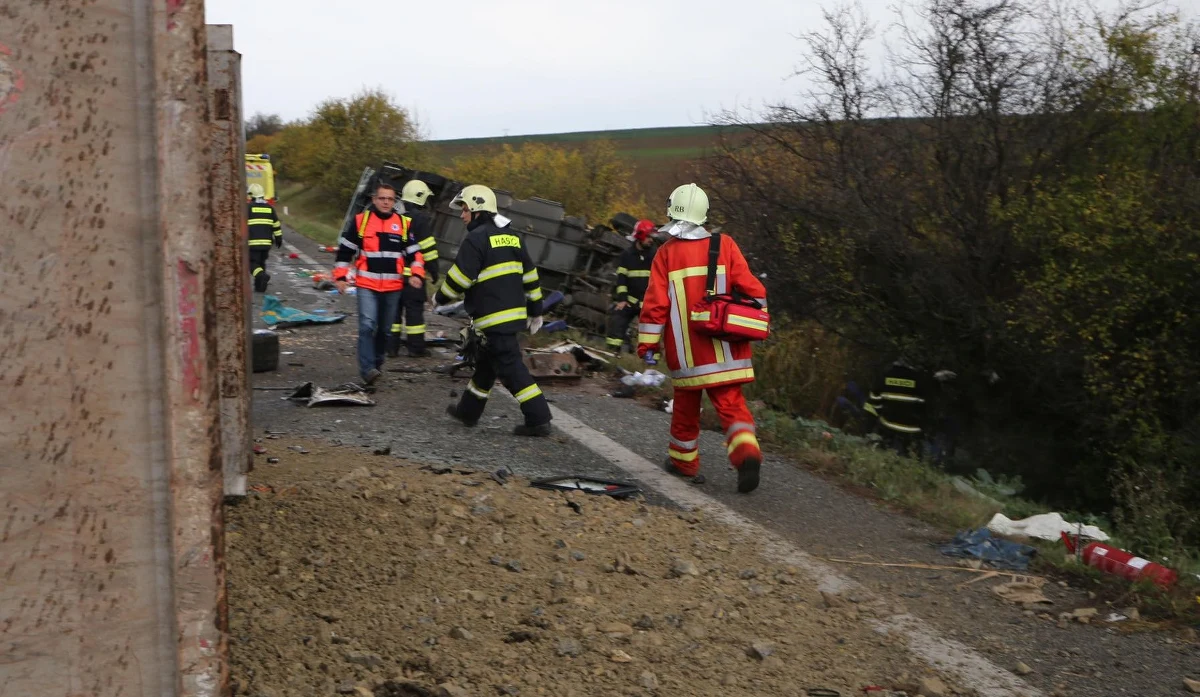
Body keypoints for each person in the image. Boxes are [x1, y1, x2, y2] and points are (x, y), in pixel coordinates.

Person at [637, 184, 768, 493]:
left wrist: (648, 345)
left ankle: (684, 461)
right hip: (726, 350)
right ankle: (747, 452)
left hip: (686, 355)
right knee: (732, 406)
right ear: (704, 215)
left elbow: (656, 305)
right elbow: (755, 292)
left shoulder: (666, 253)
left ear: (672, 213)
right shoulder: (725, 245)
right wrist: (755, 318)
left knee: (685, 408)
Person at [435, 184, 552, 437]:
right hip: (511, 317)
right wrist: (536, 310)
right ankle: (468, 412)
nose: (462, 215)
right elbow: (531, 276)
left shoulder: (475, 239)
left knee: (512, 369)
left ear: (478, 209)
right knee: (486, 367)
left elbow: (460, 280)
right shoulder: (513, 237)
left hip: (492, 320)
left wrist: (439, 297)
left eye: (465, 209)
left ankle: (539, 418)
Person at [331, 183, 425, 385]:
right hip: (367, 286)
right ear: (374, 200)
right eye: (382, 198)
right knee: (367, 326)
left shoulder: (403, 224)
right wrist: (340, 277)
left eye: (390, 199)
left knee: (384, 330)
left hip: (392, 288)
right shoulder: (361, 222)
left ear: (394, 202)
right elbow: (345, 251)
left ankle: (376, 364)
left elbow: (415, 254)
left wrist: (417, 273)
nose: (385, 202)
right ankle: (367, 370)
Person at [389, 179, 441, 357]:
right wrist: (434, 271)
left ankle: (391, 348)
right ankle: (416, 349)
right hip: (414, 276)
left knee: (392, 313)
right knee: (414, 314)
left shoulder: (391, 215)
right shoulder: (420, 219)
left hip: (391, 276)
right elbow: (428, 248)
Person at [605, 219, 657, 352]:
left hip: (647, 303)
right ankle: (612, 351)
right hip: (630, 301)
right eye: (648, 237)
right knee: (617, 318)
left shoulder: (655, 256)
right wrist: (622, 299)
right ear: (640, 236)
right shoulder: (626, 255)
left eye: (652, 237)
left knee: (652, 332)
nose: (651, 240)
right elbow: (621, 279)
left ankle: (650, 358)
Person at [866, 358, 928, 457]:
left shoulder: (885, 376)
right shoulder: (918, 379)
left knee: (886, 457)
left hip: (889, 427)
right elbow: (925, 407)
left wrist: (870, 425)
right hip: (912, 430)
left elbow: (873, 402)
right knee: (909, 460)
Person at [246, 183, 282, 292]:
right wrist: (278, 238)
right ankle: (260, 287)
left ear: (251, 196)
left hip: (252, 243)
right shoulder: (269, 208)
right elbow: (276, 224)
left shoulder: (247, 208)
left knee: (251, 263)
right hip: (266, 244)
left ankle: (261, 276)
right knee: (261, 263)